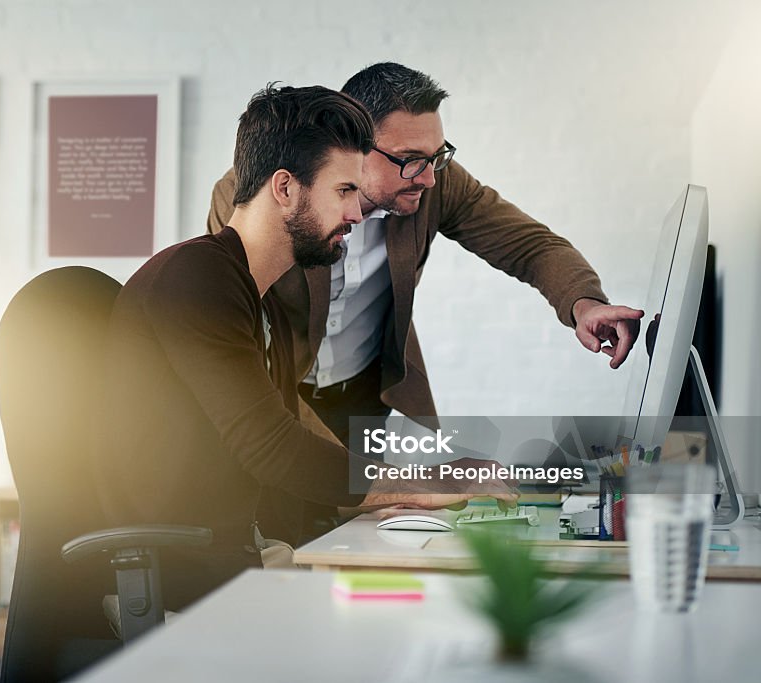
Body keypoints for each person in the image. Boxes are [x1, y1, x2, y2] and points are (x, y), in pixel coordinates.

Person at [96, 84, 517, 609]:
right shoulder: (197, 277)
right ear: (285, 188)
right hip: (183, 581)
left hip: (236, 559)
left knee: (414, 600)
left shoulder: (259, 296)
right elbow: (273, 448)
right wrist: (423, 485)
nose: (358, 213)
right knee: (406, 618)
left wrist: (411, 492)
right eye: (343, 191)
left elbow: (284, 437)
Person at [207, 63, 645, 445]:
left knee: (355, 535)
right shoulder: (261, 195)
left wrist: (585, 303)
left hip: (363, 397)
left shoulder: (432, 181)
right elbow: (232, 328)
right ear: (353, 142)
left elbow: (530, 245)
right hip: (277, 395)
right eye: (410, 159)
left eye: (436, 156)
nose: (430, 178)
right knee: (290, 523)